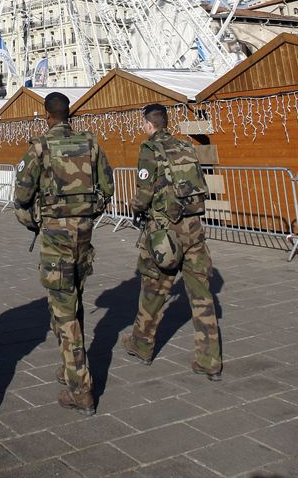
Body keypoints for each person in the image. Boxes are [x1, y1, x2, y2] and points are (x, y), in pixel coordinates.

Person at [14, 91, 113, 415]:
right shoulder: (91, 143)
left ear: (47, 116)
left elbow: (22, 194)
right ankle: (70, 366)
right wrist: (86, 215)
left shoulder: (40, 146)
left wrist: (34, 221)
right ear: (70, 114)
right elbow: (108, 187)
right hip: (83, 235)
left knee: (63, 306)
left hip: (55, 236)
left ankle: (80, 388)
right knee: (75, 299)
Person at [121, 103, 222, 380]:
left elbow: (143, 195)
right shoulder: (186, 147)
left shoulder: (149, 149)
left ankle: (141, 345)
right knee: (202, 296)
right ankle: (210, 360)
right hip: (194, 230)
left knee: (154, 290)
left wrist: (135, 207)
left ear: (148, 124)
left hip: (165, 233)